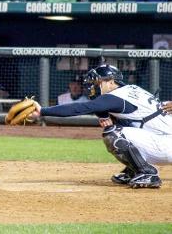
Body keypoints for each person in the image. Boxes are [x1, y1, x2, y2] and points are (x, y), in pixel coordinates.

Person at [29, 64, 172, 189]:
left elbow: (82, 107)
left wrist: (42, 111)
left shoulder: (115, 97)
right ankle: (134, 170)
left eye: (97, 82)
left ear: (110, 81)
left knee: (114, 134)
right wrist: (103, 115)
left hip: (165, 145)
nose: (94, 87)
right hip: (163, 140)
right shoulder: (130, 90)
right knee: (118, 126)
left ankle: (147, 172)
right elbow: (101, 106)